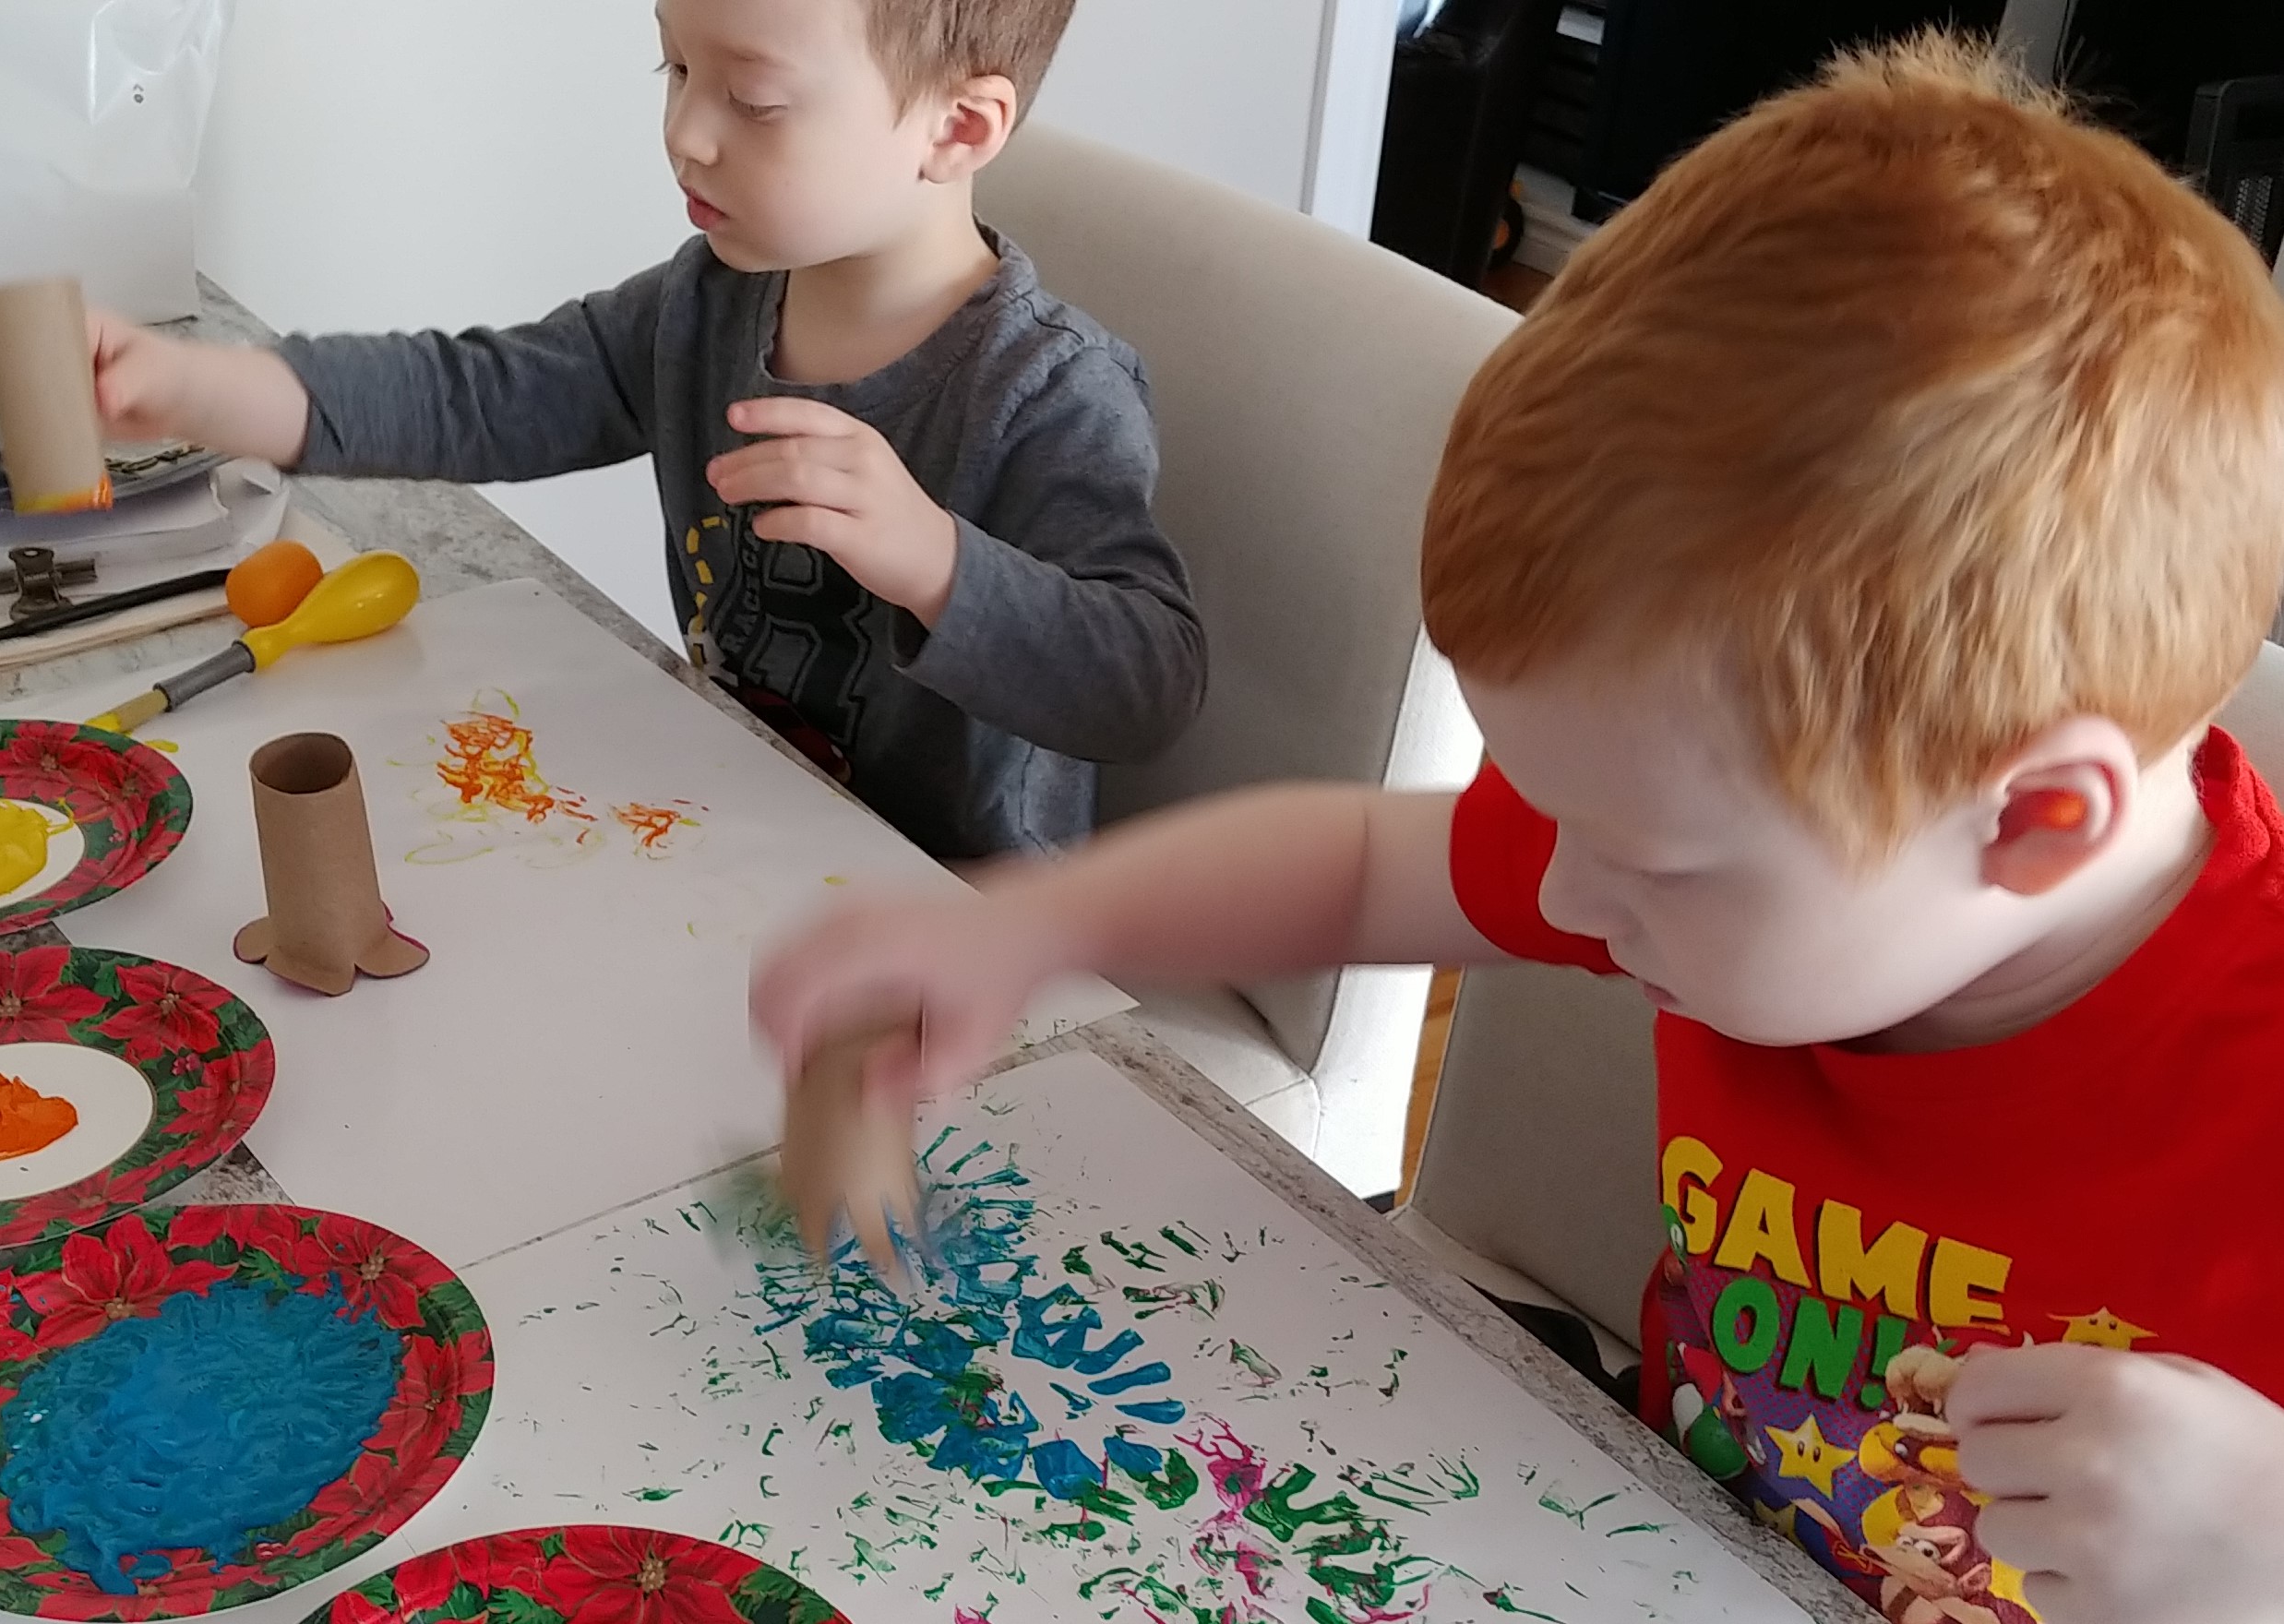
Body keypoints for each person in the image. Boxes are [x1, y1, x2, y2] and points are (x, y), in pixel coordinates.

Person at [752, 36, 2284, 1624]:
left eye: (1641, 858)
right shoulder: (1717, 827)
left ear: (2033, 822)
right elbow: (1361, 864)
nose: (1552, 891)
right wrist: (1027, 928)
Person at [83, 0, 1204, 861]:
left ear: (958, 127)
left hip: (972, 925)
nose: (686, 133)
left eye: (754, 101)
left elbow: (1149, 684)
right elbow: (482, 397)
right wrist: (197, 387)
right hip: (742, 830)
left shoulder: (1048, 390)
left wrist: (935, 560)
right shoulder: (707, 302)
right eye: (672, 65)